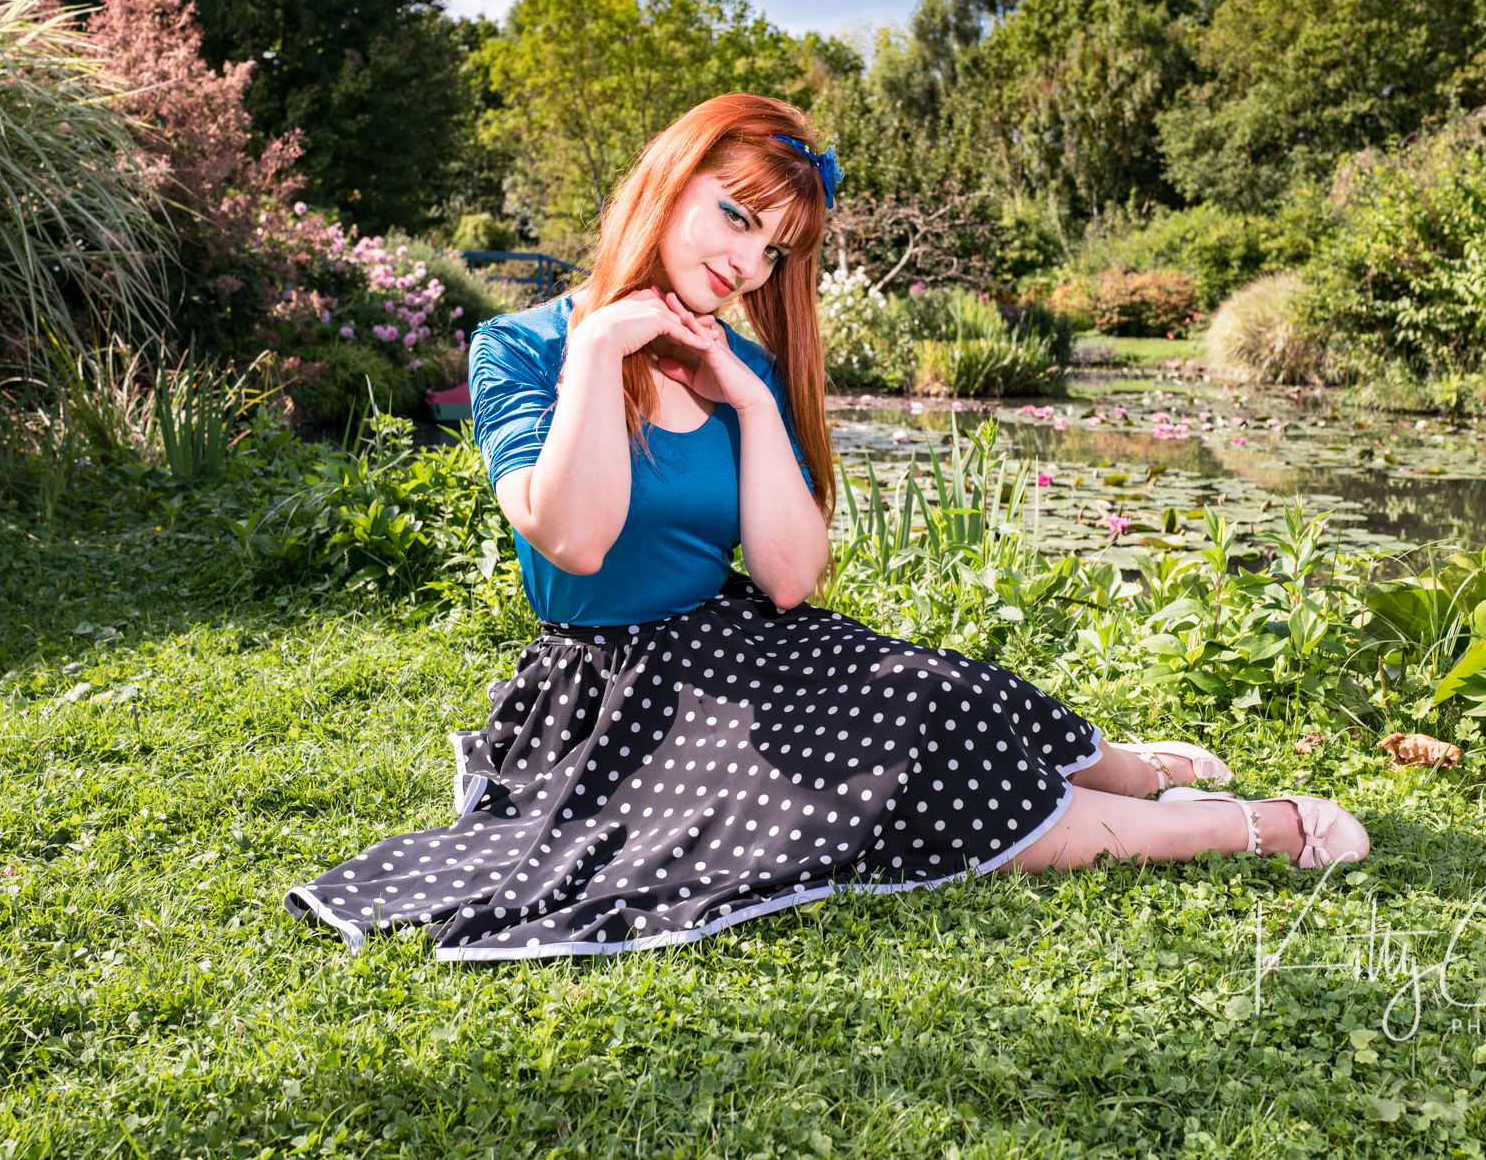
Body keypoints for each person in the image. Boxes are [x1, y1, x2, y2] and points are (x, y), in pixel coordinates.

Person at [284, 94, 1368, 961]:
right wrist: (599, 350)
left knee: (938, 686)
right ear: (667, 182)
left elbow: (790, 578)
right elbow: (574, 541)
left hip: (734, 636)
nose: (747, 263)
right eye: (737, 217)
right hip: (614, 688)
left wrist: (752, 403)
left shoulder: (740, 363)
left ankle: (1124, 768)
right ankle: (1228, 825)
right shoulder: (522, 348)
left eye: (774, 250)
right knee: (901, 754)